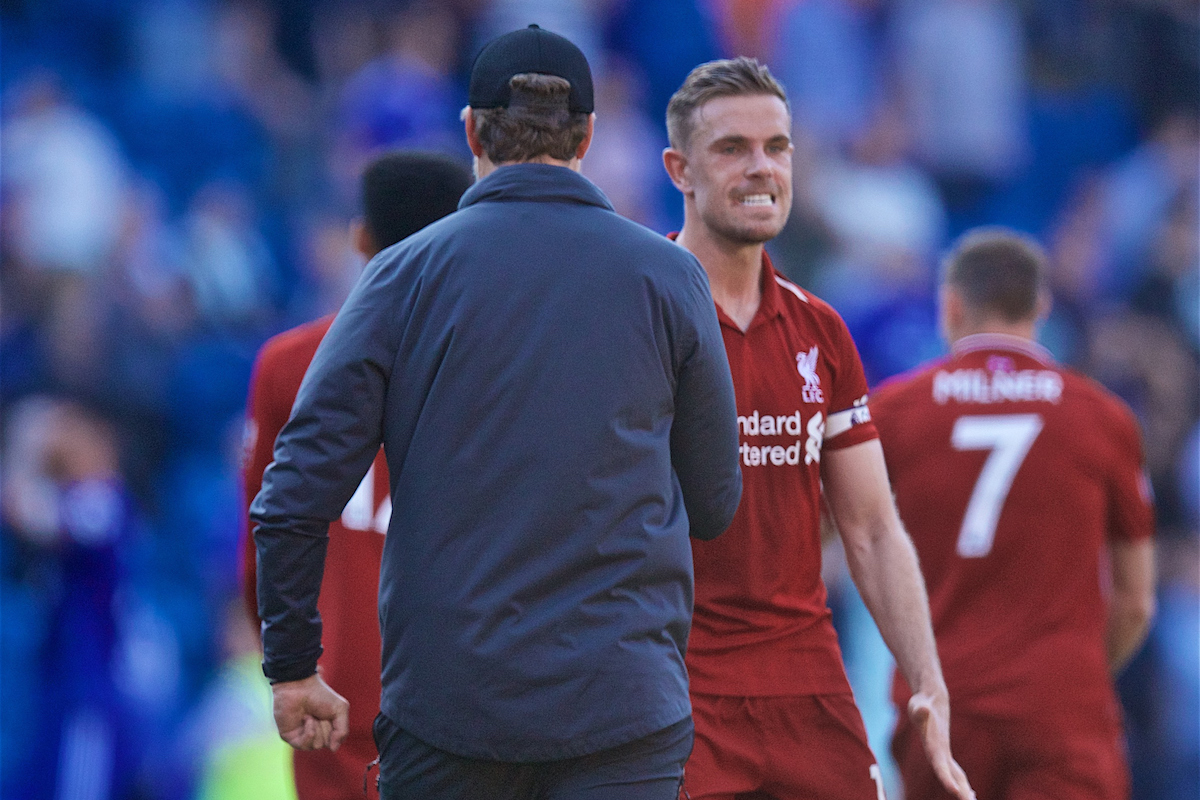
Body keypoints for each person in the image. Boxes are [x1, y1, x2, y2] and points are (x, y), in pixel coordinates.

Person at [250, 25, 743, 800]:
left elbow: (292, 496)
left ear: (472, 131)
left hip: (451, 715)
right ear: (586, 136)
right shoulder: (671, 277)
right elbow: (715, 503)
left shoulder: (400, 276)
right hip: (622, 709)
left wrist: (292, 667)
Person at [661, 57, 974, 800]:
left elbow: (870, 525)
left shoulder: (820, 329)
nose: (760, 168)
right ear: (680, 170)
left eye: (777, 146)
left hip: (806, 681)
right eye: (731, 148)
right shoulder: (636, 317)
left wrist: (928, 680)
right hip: (674, 683)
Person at [870, 228, 1156, 800]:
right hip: (1061, 715)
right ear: (1041, 306)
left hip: (943, 715)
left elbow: (827, 539)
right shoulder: (1101, 417)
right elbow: (1136, 600)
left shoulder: (895, 413)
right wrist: (1067, 674)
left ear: (951, 305)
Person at [239, 150, 472, 799]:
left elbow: (262, 550)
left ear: (360, 238)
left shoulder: (287, 367)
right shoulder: (501, 371)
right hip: (463, 712)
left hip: (328, 698)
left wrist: (290, 664)